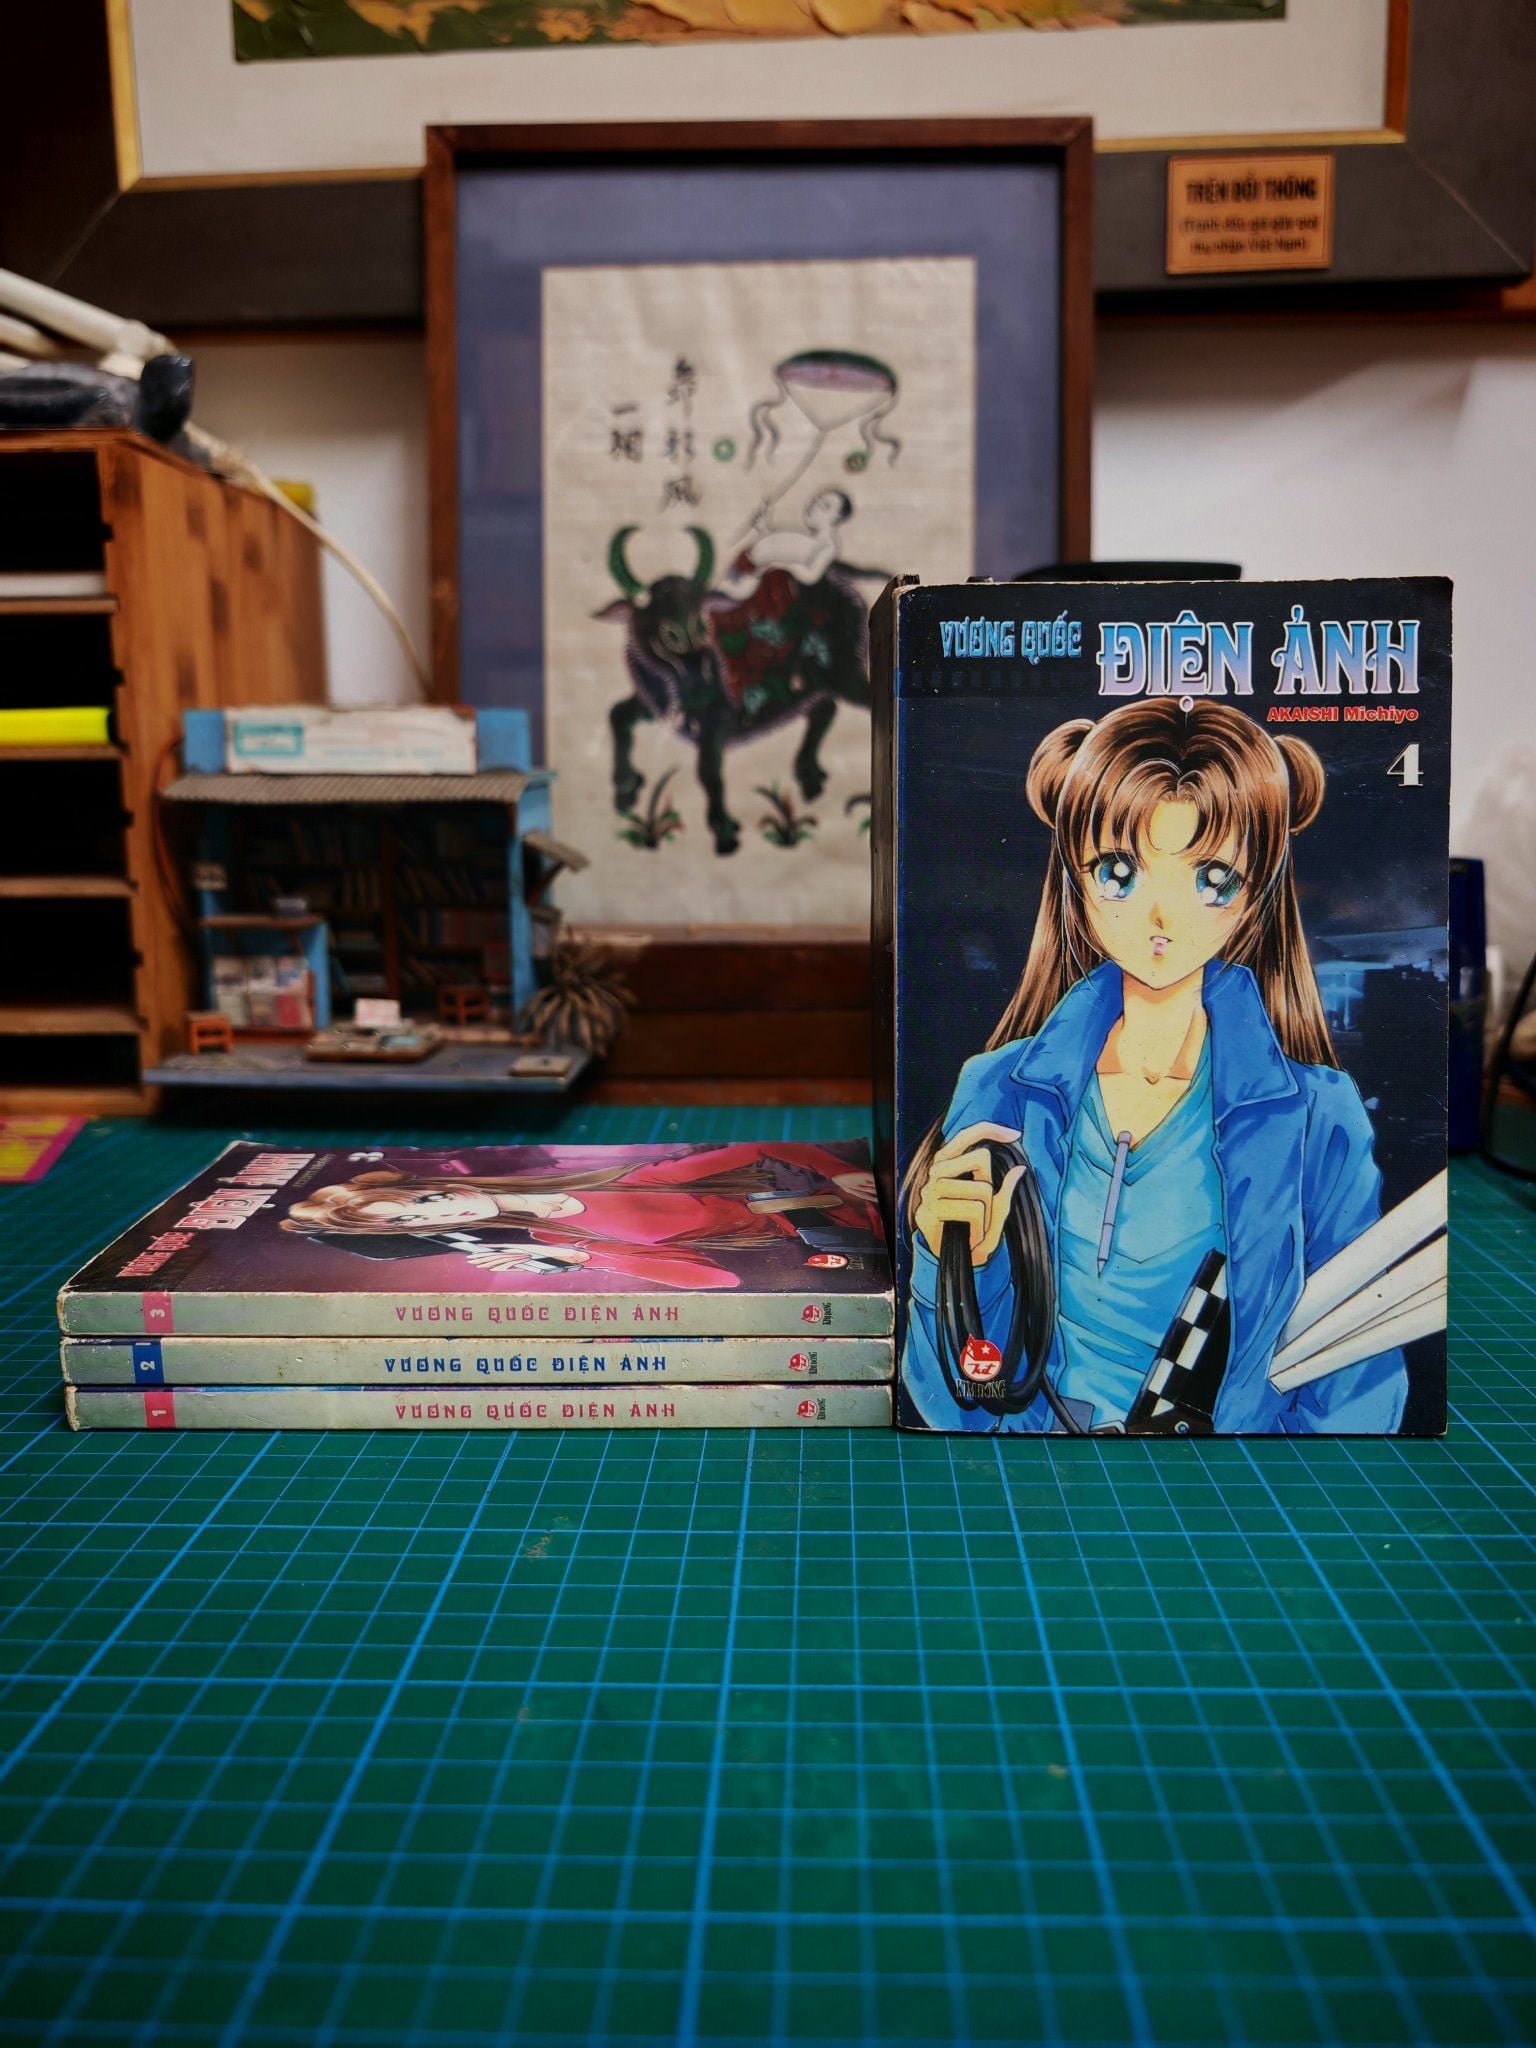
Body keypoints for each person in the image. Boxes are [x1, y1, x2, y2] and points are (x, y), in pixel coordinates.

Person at [902, 697, 1407, 1435]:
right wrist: (953, 1266)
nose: (1161, 918)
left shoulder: (1317, 1118)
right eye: (1119, 872)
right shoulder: (999, 1089)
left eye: (1213, 879)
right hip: (1037, 1470)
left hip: (1232, 1480)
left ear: (1256, 894)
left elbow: (1357, 1387)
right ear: (1074, 878)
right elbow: (952, 1405)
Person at [282, 1142, 880, 1290]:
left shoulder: (612, 1179)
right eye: (409, 1223)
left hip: (845, 1188)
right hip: (831, 1240)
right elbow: (715, 1279)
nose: (440, 1209)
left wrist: (834, 1170)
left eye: (422, 1199)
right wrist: (581, 1256)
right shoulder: (558, 1240)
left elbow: (752, 1149)